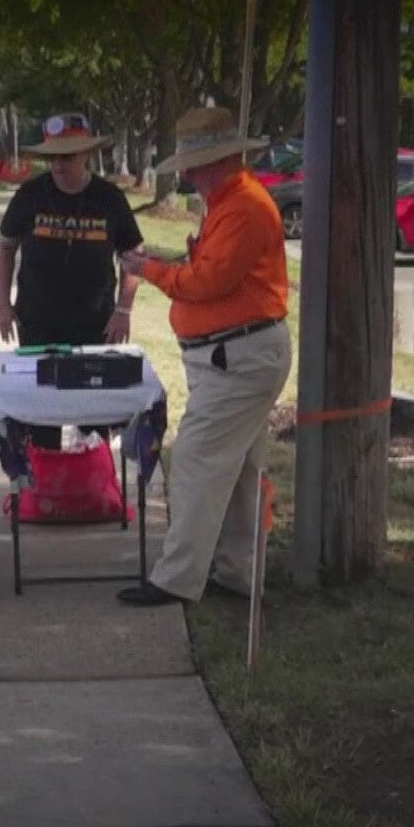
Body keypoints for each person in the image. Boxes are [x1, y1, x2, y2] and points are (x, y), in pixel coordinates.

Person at [116, 106, 291, 607]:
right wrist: (165, 265)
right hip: (234, 356)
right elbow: (211, 268)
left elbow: (208, 282)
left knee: (195, 459)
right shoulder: (229, 202)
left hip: (239, 357)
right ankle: (239, 573)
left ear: (220, 159)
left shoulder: (243, 207)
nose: (187, 174)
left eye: (194, 164)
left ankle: (177, 579)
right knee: (235, 469)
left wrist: (150, 270)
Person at [0, 112, 146, 448]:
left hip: (95, 323)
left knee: (93, 418)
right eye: (52, 157)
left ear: (86, 154)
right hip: (38, 320)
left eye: (67, 157)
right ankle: (46, 489)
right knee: (41, 414)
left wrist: (123, 310)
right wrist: (3, 306)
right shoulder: (31, 195)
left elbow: (133, 254)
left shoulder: (109, 198)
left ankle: (92, 485)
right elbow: (4, 248)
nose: (58, 165)